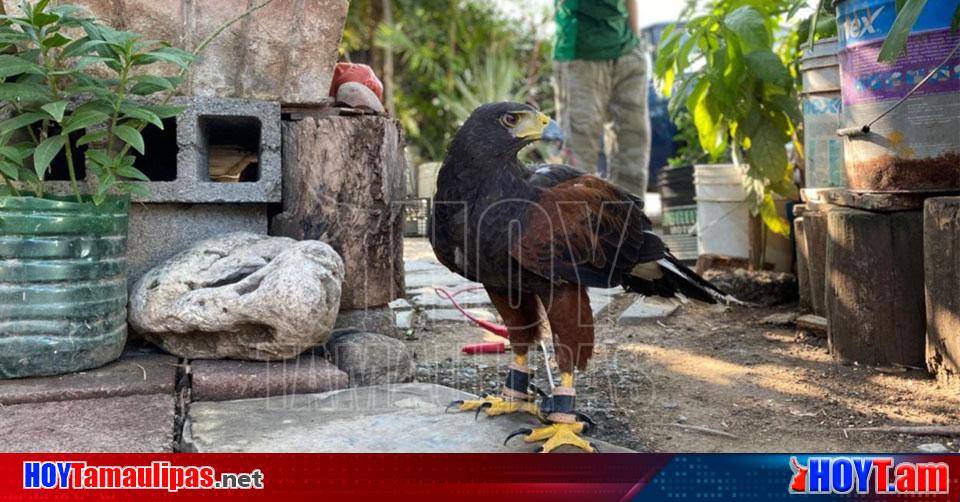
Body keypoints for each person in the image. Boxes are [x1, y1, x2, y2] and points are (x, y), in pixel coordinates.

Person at [553, 0, 652, 196]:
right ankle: (578, 225)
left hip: (627, 50)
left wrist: (635, 38)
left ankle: (630, 222)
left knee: (633, 149)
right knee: (578, 154)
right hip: (581, 54)